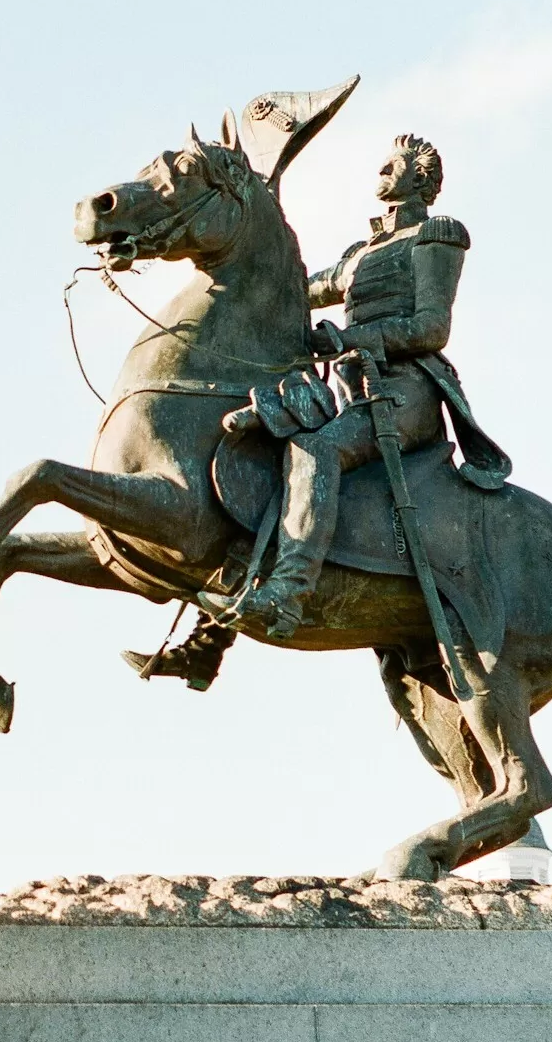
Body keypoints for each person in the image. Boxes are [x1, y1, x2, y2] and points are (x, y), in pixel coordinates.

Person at [128, 135, 510, 681]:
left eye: (394, 163)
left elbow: (432, 326)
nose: (380, 167)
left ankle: (288, 591)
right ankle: (208, 641)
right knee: (259, 456)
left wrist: (350, 336)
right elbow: (292, 290)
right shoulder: (360, 253)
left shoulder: (436, 235)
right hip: (353, 393)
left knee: (314, 448)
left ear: (420, 179)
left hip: (407, 393)